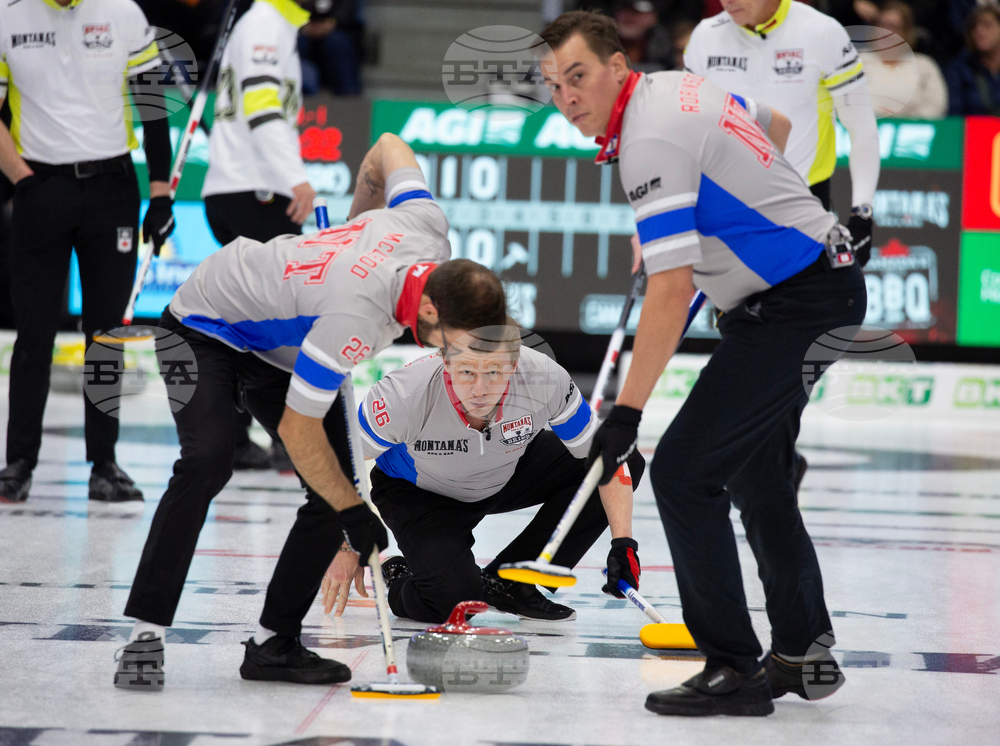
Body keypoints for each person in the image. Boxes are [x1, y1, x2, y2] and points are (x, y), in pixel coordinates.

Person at [541, 10, 864, 716]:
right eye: (553, 84)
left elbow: (670, 287)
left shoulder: (648, 138)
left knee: (686, 474)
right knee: (756, 473)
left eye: (578, 76)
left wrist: (625, 412)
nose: (566, 96)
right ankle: (802, 648)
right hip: (816, 287)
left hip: (795, 306)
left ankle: (733, 668)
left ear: (617, 67)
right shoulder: (679, 89)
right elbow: (772, 127)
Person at [114, 133, 496, 690]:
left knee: (332, 487)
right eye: (451, 343)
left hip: (282, 340)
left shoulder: (425, 226)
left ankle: (274, 644)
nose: (449, 355)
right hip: (200, 323)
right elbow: (297, 429)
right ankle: (144, 636)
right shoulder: (354, 318)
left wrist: (352, 225)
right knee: (209, 459)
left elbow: (388, 146)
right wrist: (352, 512)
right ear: (432, 307)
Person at [320, 324, 646, 623]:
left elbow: (608, 461)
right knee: (454, 604)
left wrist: (624, 543)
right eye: (466, 372)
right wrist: (345, 539)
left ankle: (513, 582)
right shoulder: (403, 395)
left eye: (493, 372)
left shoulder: (544, 378)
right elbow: (333, 462)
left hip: (504, 469)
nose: (479, 389)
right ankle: (401, 576)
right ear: (445, 363)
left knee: (623, 460)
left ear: (515, 366)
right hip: (418, 491)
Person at [0, 0, 175, 504]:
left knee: (106, 335)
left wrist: (160, 191)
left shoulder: (123, 13)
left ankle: (104, 464)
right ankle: (18, 463)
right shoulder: (9, 16)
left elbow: (152, 104)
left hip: (111, 189)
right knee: (34, 333)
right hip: (41, 186)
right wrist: (23, 180)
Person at [201, 0, 319, 471]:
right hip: (255, 192)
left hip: (242, 189)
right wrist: (296, 178)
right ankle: (282, 438)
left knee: (248, 323)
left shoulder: (273, 25)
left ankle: (238, 437)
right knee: (281, 321)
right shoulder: (266, 24)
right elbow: (262, 109)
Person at [683, 0, 880, 252]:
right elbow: (689, 130)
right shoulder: (704, 36)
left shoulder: (822, 31)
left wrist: (862, 214)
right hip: (725, 208)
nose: (726, 1)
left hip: (802, 207)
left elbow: (862, 128)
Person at [869, 1, 947, 119]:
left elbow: (935, 107)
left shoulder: (924, 65)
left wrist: (902, 121)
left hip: (914, 132)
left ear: (905, 32)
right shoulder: (856, 61)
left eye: (893, 26)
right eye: (882, 25)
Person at [946, 5, 1000, 116]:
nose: (979, 31)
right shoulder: (959, 68)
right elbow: (954, 114)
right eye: (974, 27)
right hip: (973, 130)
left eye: (987, 25)